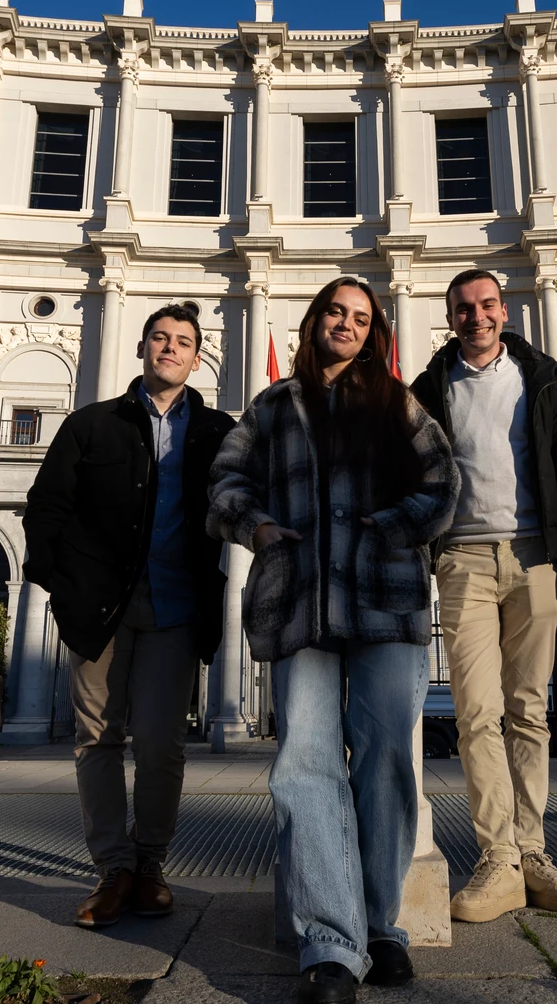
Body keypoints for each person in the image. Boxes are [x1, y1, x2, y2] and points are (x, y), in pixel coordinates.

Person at [210, 276, 459, 1003]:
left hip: (386, 600)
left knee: (384, 764)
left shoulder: (396, 402)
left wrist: (393, 525)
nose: (346, 325)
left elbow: (444, 485)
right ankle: (329, 943)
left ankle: (381, 926)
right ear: (313, 321)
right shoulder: (271, 407)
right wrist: (253, 524)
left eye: (359, 317)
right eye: (335, 312)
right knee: (303, 766)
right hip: (300, 605)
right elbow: (225, 479)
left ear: (372, 331)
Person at [23, 303, 236, 930]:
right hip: (100, 610)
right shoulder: (92, 424)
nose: (170, 348)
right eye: (161, 338)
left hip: (176, 607)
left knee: (164, 745)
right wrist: (58, 585)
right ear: (143, 348)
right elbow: (46, 506)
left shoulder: (218, 431)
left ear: (198, 357)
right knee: (98, 739)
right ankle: (112, 868)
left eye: (183, 342)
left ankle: (150, 866)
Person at [407, 268, 557, 925]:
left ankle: (534, 853)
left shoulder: (539, 378)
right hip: (462, 558)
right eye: (464, 307)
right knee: (475, 712)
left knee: (530, 710)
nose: (477, 316)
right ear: (450, 314)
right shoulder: (430, 388)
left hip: (534, 556)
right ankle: (498, 859)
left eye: (487, 304)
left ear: (504, 310)